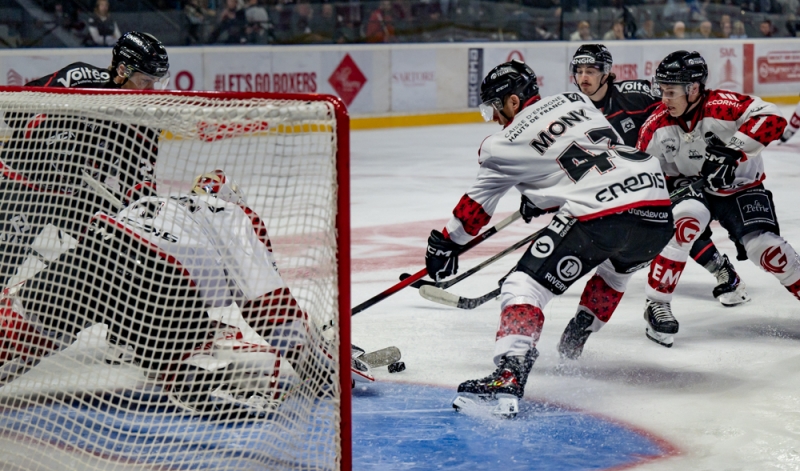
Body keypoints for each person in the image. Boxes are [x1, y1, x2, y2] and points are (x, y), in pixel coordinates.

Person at [425, 60, 674, 416]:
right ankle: (580, 332)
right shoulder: (577, 101)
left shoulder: (500, 144)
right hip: (656, 210)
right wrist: (543, 196)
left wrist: (445, 244)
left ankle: (509, 372)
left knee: (523, 287)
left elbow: (473, 212)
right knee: (615, 270)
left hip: (599, 213)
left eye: (494, 109)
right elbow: (586, 156)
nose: (494, 118)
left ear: (512, 102)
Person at [0, 170, 346, 416]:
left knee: (22, 330)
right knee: (202, 358)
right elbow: (266, 305)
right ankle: (186, 380)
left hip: (92, 256)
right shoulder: (235, 214)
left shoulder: (160, 202)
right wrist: (314, 364)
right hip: (157, 277)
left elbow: (119, 293)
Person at [559, 44, 750, 359]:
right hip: (620, 186)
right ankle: (581, 324)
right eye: (578, 71)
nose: (583, 78)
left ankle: (718, 271)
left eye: (590, 71)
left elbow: (672, 112)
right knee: (620, 256)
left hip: (664, 171)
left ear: (606, 72)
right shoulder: (572, 111)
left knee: (677, 224)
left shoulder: (633, 95)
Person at [637, 50, 800, 347]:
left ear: (694, 88)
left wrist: (732, 152)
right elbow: (641, 176)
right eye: (661, 91)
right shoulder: (656, 126)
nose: (664, 99)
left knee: (767, 250)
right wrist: (667, 190)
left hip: (741, 188)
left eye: (670, 92)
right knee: (682, 224)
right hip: (694, 192)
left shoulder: (723, 106)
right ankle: (656, 304)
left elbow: (773, 118)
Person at [0, 31, 169, 291]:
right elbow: (16, 109)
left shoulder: (143, 118)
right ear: (123, 70)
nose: (152, 90)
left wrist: (144, 220)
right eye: (145, 80)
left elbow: (139, 184)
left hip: (76, 195)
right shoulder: (80, 79)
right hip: (25, 183)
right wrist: (51, 135)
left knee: (130, 250)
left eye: (156, 81)